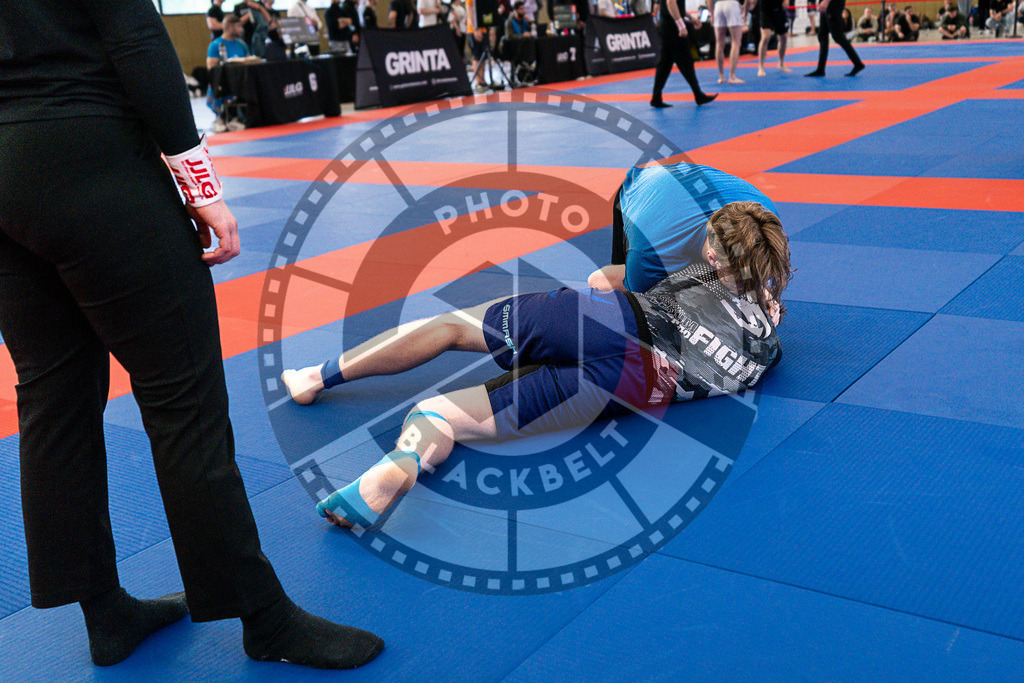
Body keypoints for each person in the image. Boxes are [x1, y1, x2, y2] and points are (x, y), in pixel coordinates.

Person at [0, 0, 383, 671]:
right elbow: (135, 32)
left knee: (51, 394)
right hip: (89, 155)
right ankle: (262, 616)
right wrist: (199, 181)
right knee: (184, 402)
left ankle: (103, 610)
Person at [282, 189, 791, 531]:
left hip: (609, 320)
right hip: (633, 389)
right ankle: (401, 461)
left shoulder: (696, 274)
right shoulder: (767, 344)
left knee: (451, 326)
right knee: (443, 417)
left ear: (716, 251)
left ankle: (313, 378)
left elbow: (603, 281)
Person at [651, 0, 718, 107]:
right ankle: (698, 94)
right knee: (686, 61)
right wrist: (681, 25)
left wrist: (690, 18)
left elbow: (676, 6)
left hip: (667, 25)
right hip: (672, 28)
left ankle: (656, 98)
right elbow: (671, 3)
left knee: (664, 64)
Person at [206, 15, 249, 132]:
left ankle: (236, 118)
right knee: (218, 84)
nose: (242, 29)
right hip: (224, 83)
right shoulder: (216, 45)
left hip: (240, 82)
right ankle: (220, 118)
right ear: (230, 28)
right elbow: (212, 70)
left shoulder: (241, 44)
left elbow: (249, 61)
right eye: (239, 26)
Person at [804, 0, 863, 76]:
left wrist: (826, 1)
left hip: (832, 4)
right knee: (822, 35)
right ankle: (820, 69)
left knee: (837, 36)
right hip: (828, 4)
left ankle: (858, 63)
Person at [710, 0, 747, 84]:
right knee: (736, 42)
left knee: (719, 43)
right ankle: (732, 76)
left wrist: (712, 14)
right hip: (732, 4)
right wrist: (745, 11)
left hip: (718, 6)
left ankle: (721, 76)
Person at [757, 0, 791, 76]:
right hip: (766, 10)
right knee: (766, 37)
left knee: (784, 37)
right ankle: (761, 67)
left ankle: (781, 63)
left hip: (779, 9)